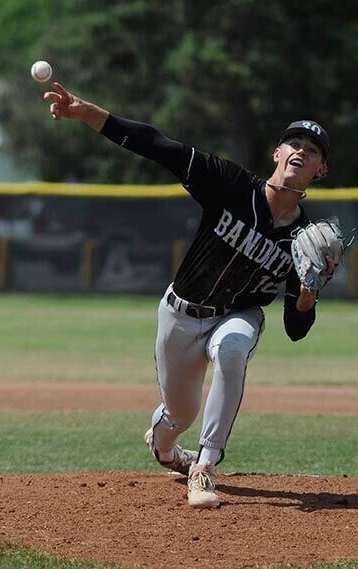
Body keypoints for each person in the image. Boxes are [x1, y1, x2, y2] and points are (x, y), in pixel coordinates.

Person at [44, 82, 336, 508]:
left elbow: (297, 326)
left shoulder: (304, 241)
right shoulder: (231, 184)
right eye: (293, 142)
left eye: (312, 150)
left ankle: (205, 467)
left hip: (238, 315)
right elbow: (160, 147)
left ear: (321, 170)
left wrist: (309, 291)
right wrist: (88, 113)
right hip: (179, 315)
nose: (300, 151)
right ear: (276, 153)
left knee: (232, 352)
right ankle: (165, 448)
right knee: (177, 416)